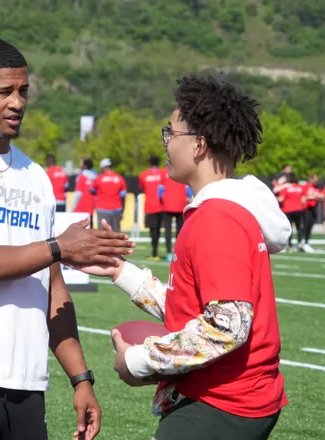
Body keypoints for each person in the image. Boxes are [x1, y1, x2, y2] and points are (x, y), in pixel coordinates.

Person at [0, 37, 134, 440]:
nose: (17, 102)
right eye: (4, 91)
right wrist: (58, 246)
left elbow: (52, 286)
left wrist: (81, 378)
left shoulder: (37, 177)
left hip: (28, 383)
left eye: (23, 91)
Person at [91, 75, 290, 439]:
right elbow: (194, 307)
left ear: (199, 144)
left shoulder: (217, 218)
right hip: (233, 399)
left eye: (171, 132)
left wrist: (137, 360)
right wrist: (120, 271)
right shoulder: (221, 211)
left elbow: (226, 327)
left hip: (221, 402)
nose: (165, 142)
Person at [158, 165, 193, 262]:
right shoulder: (182, 170)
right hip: (180, 204)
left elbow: (160, 191)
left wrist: (161, 201)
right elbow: (188, 190)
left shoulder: (162, 173)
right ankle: (177, 253)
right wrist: (189, 199)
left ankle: (169, 253)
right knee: (180, 232)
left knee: (168, 231)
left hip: (167, 205)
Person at [91, 158, 127, 232]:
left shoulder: (99, 178)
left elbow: (92, 190)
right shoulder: (119, 178)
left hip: (102, 208)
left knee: (102, 233)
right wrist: (122, 210)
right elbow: (123, 196)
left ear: (103, 167)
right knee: (116, 233)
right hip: (116, 209)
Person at [138, 156, 164, 260]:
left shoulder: (143, 175)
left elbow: (142, 187)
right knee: (158, 229)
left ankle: (154, 252)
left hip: (149, 205)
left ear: (149, 163)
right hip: (161, 205)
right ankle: (158, 251)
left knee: (152, 230)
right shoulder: (163, 174)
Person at [276, 172, 305, 252]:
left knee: (289, 228)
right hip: (298, 210)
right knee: (299, 228)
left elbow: (281, 199)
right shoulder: (300, 187)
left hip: (288, 210)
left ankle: (290, 245)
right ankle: (300, 244)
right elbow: (303, 200)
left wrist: (273, 198)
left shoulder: (286, 188)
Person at [73, 158, 98, 224]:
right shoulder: (96, 176)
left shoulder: (81, 176)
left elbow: (78, 193)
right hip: (91, 206)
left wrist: (73, 207)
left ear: (84, 165)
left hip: (81, 207)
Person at [301, 173, 320, 253]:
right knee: (306, 225)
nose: (316, 181)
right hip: (306, 208)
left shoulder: (316, 187)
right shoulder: (306, 186)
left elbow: (318, 196)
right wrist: (311, 197)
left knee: (310, 225)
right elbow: (303, 197)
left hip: (313, 208)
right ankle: (301, 241)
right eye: (315, 180)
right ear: (311, 179)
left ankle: (307, 241)